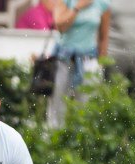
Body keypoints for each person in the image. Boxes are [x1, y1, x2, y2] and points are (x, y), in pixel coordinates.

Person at [47, 0, 111, 128]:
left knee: (86, 104)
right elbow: (60, 26)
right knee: (58, 103)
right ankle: (54, 138)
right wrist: (77, 7)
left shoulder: (102, 3)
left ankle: (82, 140)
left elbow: (103, 37)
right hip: (64, 59)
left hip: (89, 59)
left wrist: (101, 64)